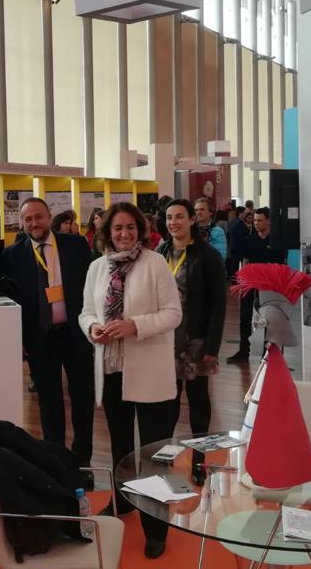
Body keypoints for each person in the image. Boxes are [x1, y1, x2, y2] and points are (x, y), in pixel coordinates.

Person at [78, 203, 181, 560]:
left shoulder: (155, 263)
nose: (124, 234)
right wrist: (92, 327)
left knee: (153, 454)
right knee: (122, 449)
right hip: (110, 370)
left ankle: (156, 527)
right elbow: (86, 311)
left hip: (150, 372)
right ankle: (123, 505)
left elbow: (173, 313)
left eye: (130, 228)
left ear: (141, 230)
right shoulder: (97, 267)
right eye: (117, 228)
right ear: (106, 233)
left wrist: (134, 325)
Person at [2, 198, 95, 469]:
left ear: (49, 216)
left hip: (76, 334)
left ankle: (83, 463)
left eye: (39, 217)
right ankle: (56, 464)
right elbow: (13, 302)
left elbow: (91, 289)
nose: (34, 223)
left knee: (82, 401)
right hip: (40, 338)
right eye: (28, 219)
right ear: (22, 223)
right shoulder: (13, 254)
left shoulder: (75, 246)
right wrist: (18, 342)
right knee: (49, 404)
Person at [156, 200, 226, 485]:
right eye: (170, 218)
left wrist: (212, 348)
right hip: (166, 342)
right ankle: (164, 455)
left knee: (198, 403)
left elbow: (219, 304)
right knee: (166, 404)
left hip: (196, 342)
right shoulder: (160, 252)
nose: (174, 223)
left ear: (191, 220)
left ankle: (200, 460)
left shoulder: (208, 256)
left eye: (180, 217)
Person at [228, 207, 287, 363]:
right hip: (251, 283)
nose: (256, 223)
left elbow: (281, 265)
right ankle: (243, 350)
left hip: (269, 285)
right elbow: (245, 261)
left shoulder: (277, 241)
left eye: (259, 220)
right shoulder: (250, 240)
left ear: (268, 221)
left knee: (269, 319)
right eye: (254, 220)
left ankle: (266, 353)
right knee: (245, 317)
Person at [227, 205, 249, 280]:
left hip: (233, 246)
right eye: (244, 212)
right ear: (240, 213)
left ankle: (234, 280)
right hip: (239, 247)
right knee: (238, 266)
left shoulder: (232, 221)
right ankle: (236, 281)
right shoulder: (240, 223)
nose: (246, 214)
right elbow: (242, 237)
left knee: (234, 265)